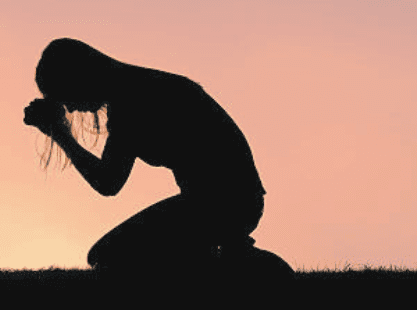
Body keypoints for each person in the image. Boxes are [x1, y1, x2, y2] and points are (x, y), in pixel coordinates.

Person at [23, 38, 293, 280]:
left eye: (65, 95)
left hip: (222, 204)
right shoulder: (138, 87)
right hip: (230, 201)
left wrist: (61, 134)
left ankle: (241, 266)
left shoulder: (129, 101)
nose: (69, 108)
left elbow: (108, 182)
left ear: (78, 77)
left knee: (108, 258)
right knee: (107, 256)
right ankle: (232, 257)